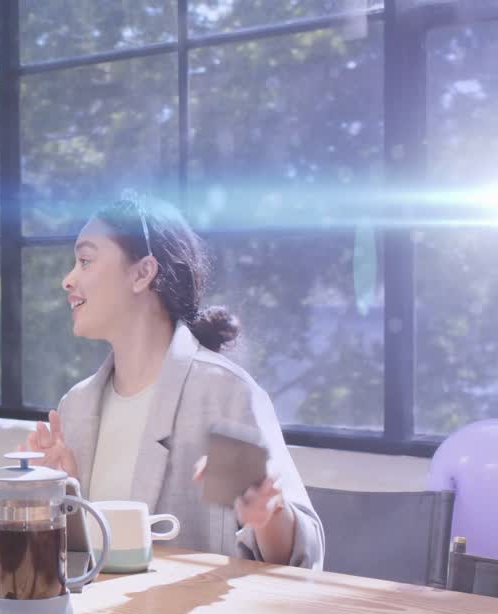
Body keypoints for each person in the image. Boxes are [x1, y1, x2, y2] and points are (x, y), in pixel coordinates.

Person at [23, 193, 324, 569]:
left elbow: (305, 558)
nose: (68, 279)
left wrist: (269, 515)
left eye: (85, 261)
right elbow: (77, 563)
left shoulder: (224, 393)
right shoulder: (75, 406)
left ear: (142, 273)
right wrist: (61, 497)